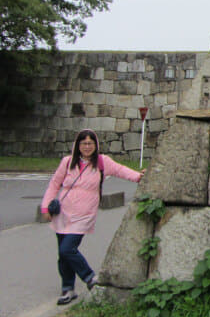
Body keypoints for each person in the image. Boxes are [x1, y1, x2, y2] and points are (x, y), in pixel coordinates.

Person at [40, 129, 146, 305]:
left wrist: (138, 177)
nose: (87, 147)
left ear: (95, 145)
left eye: (90, 143)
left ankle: (89, 277)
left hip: (84, 215)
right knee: (63, 254)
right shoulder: (67, 162)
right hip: (63, 214)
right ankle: (68, 289)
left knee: (67, 249)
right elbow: (54, 185)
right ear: (77, 145)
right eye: (83, 143)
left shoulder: (102, 162)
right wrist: (46, 207)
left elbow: (121, 170)